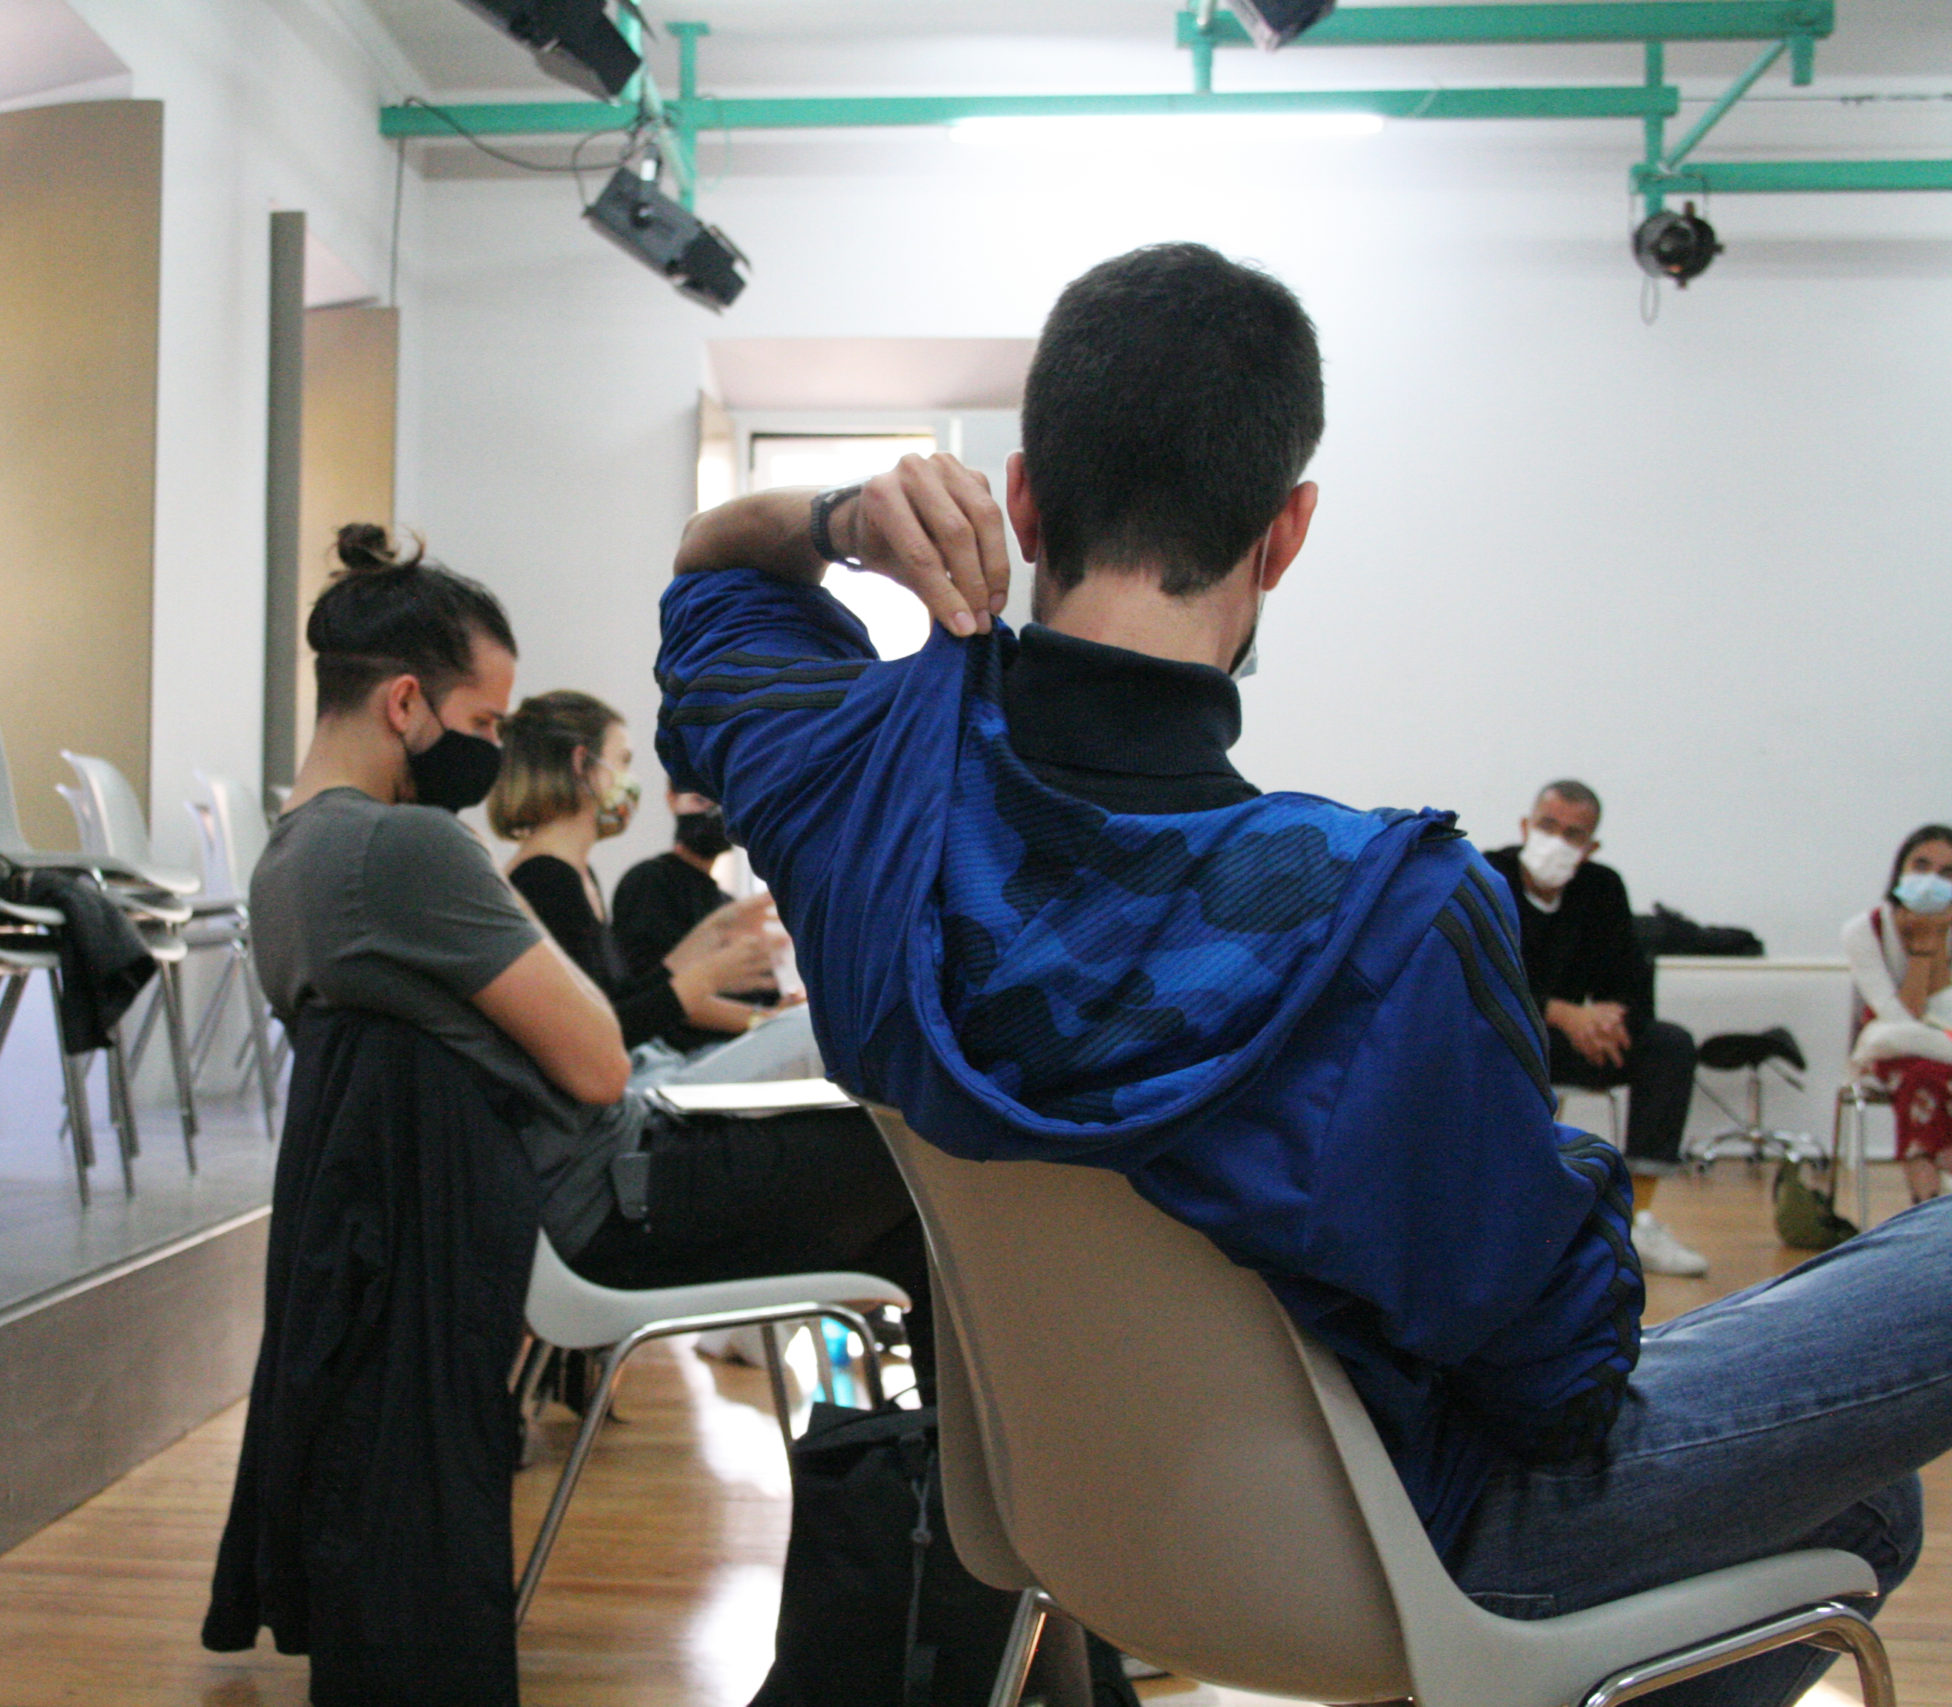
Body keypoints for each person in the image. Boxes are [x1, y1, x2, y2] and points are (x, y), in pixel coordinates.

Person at [652, 242, 1940, 1707]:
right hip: (1395, 1560)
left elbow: (707, 575)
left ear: (1022, 498)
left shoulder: (851, 795)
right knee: (1868, 1464)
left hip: (1076, 1526)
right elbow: (1561, 1381)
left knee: (1862, 1502)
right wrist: (1562, 1178)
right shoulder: (1387, 917)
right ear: (1288, 532)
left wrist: (834, 520)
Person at [251, 523, 928, 1372]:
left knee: (907, 1179)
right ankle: (952, 1455)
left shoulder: (285, 866)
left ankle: (908, 1452)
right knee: (929, 1151)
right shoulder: (406, 847)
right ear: (404, 703)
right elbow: (604, 1066)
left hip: (581, 1187)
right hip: (611, 1195)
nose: (492, 751)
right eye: (484, 721)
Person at [1484, 783, 1707, 1277]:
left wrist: (1606, 1021)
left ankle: (1638, 1218)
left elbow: (1631, 987)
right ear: (1525, 827)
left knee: (1668, 1046)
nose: (1557, 841)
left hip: (1574, 1041)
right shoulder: (1489, 877)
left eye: (1573, 834)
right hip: (1503, 1036)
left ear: (1591, 847)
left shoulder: (1602, 888)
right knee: (1498, 1046)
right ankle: (1508, 1216)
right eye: (1547, 826)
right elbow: (1480, 979)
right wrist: (1561, 1012)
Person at [487, 688, 784, 1053]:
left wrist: (709, 937)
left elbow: (616, 999)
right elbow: (600, 1033)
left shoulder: (574, 874)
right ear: (582, 765)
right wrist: (708, 976)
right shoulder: (546, 880)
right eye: (623, 761)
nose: (630, 778)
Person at [1844, 824, 1952, 1202]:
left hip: (1933, 1046)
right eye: (1921, 866)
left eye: (1946, 872)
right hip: (1892, 1051)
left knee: (1928, 1073)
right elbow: (1899, 1018)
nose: (1931, 880)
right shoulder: (1864, 930)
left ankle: (1934, 1197)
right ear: (1900, 870)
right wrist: (1922, 950)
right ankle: (1929, 1199)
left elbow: (1946, 1012)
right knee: (1920, 1073)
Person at [613, 784, 761, 1052]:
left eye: (724, 805)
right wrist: (759, 1019)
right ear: (672, 798)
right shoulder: (649, 882)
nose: (714, 814)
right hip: (671, 1056)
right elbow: (651, 996)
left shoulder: (727, 903)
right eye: (701, 800)